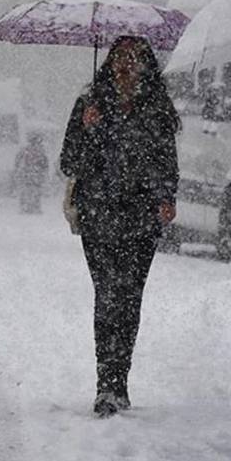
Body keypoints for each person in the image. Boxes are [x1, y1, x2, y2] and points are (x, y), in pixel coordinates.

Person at [59, 35, 180, 418]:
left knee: (129, 299)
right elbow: (69, 162)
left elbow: (166, 161)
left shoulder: (157, 108)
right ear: (109, 62)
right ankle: (106, 384)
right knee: (108, 294)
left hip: (141, 218)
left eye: (136, 58)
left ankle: (119, 379)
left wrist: (165, 198)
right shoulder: (89, 105)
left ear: (147, 65)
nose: (127, 65)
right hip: (98, 215)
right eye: (120, 58)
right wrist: (88, 128)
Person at [13, 132, 49, 214]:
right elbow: (45, 163)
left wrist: (17, 168)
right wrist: (44, 171)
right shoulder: (40, 151)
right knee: (35, 192)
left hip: (28, 172)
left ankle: (26, 207)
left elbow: (18, 159)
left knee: (27, 191)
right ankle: (34, 207)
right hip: (35, 173)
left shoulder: (26, 150)